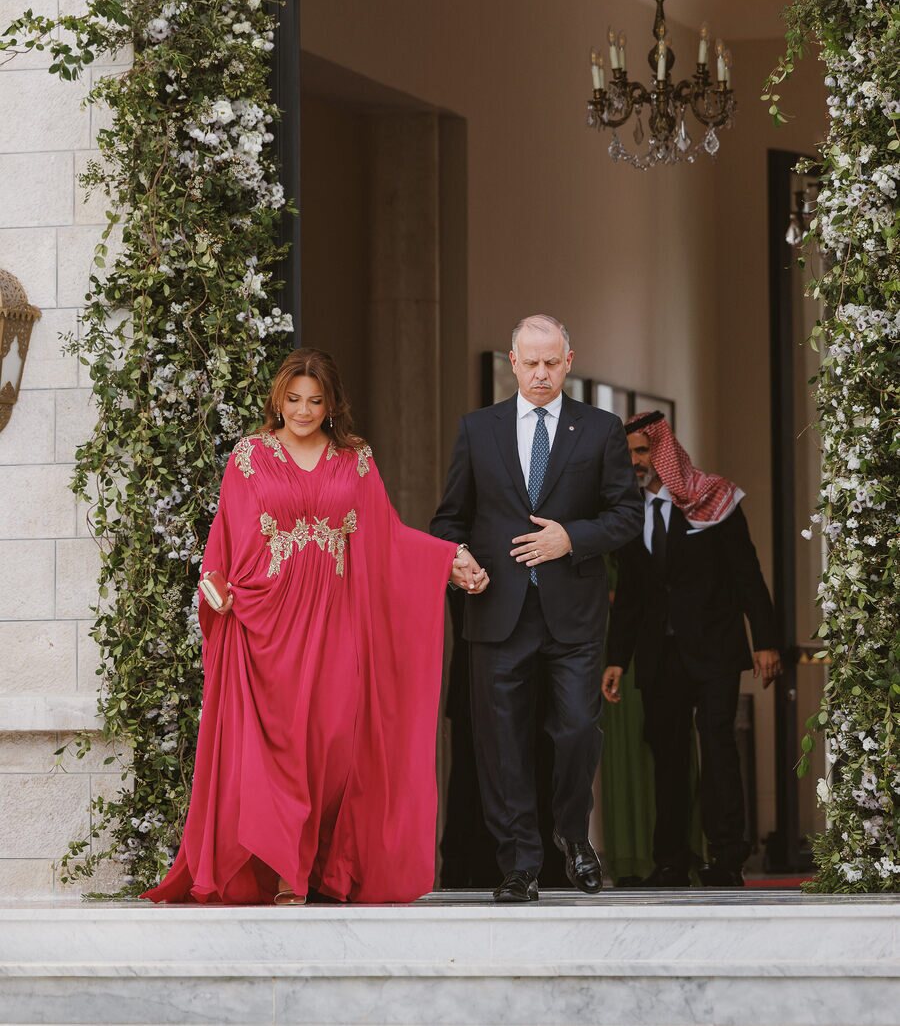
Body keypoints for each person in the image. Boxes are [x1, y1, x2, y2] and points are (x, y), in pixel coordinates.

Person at [143, 348, 485, 907]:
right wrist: (214, 586)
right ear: (278, 400)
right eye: (294, 399)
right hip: (265, 624)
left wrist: (449, 557)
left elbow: (388, 536)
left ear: (332, 405)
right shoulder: (249, 457)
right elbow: (223, 540)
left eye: (315, 401)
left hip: (336, 624)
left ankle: (325, 866)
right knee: (279, 750)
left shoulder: (355, 459)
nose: (303, 411)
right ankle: (287, 873)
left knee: (332, 745)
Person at [431, 315, 643, 902]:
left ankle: (571, 832)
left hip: (573, 614)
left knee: (576, 731)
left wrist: (570, 537)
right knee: (502, 746)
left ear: (569, 361)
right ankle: (520, 864)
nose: (542, 373)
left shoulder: (600, 429)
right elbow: (449, 521)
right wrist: (456, 559)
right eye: (531, 363)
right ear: (514, 362)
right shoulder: (478, 429)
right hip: (496, 611)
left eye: (552, 362)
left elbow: (627, 515)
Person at [602, 411, 782, 889]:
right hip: (659, 656)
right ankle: (670, 862)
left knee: (717, 743)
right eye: (628, 454)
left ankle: (727, 857)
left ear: (662, 451)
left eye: (643, 450)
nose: (635, 461)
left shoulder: (714, 499)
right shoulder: (627, 512)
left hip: (715, 648)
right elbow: (632, 597)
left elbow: (747, 574)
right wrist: (616, 658)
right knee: (668, 755)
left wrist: (765, 640)